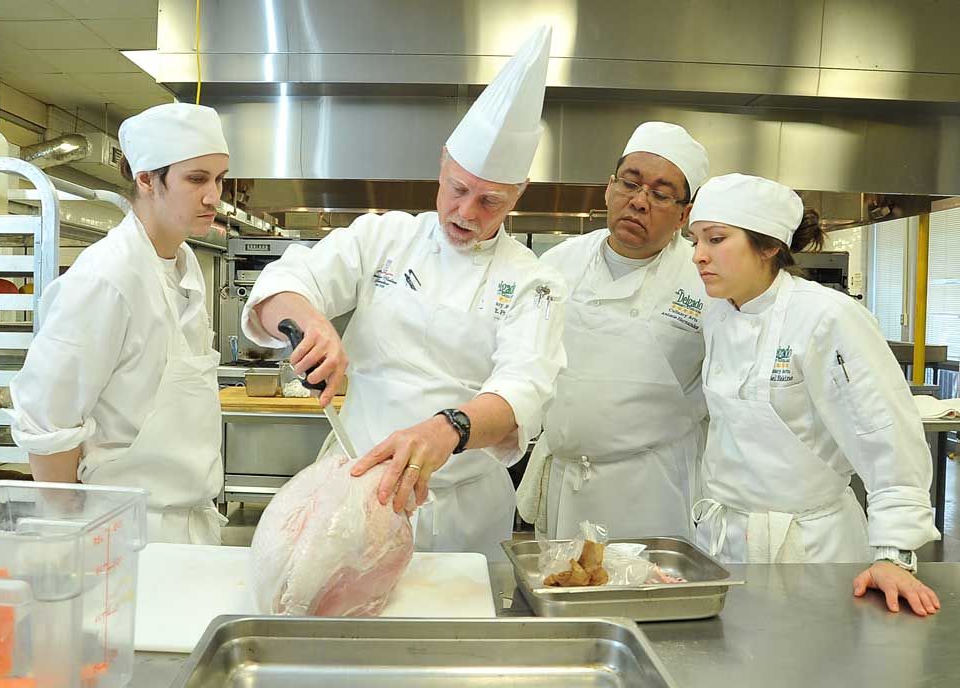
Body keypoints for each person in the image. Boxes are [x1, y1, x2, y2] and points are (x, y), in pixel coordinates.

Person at [241, 26, 566, 560]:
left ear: (519, 195)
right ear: (442, 164)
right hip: (356, 491)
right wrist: (310, 323)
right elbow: (288, 281)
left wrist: (448, 429)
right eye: (458, 189)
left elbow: (523, 387)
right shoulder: (384, 236)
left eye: (490, 201)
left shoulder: (536, 282)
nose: (466, 213)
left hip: (466, 513)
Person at [688, 173, 940, 616]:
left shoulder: (827, 317)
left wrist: (893, 554)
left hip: (811, 549)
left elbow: (886, 435)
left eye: (715, 239)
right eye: (694, 241)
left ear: (768, 247)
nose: (698, 256)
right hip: (725, 545)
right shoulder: (718, 315)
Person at [10, 103, 230, 545]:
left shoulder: (183, 270)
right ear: (147, 179)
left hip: (186, 528)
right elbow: (46, 421)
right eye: (197, 179)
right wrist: (70, 537)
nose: (214, 196)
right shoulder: (105, 280)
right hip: (123, 534)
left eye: (220, 179)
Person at [517, 122, 709, 539]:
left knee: (651, 599)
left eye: (660, 195)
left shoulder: (703, 280)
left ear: (685, 214)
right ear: (609, 189)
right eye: (630, 184)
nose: (639, 202)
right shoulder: (558, 265)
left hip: (653, 491)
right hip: (566, 486)